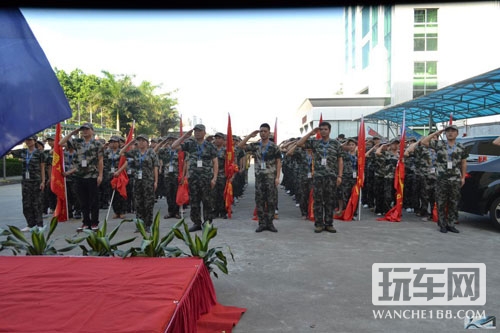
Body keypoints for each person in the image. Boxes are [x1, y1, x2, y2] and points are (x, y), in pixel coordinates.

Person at [296, 121, 343, 233]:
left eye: (325, 129)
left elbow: (340, 160)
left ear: (329, 131)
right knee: (318, 201)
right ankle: (318, 224)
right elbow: (299, 144)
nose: (323, 131)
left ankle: (329, 224)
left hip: (331, 176)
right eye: (321, 129)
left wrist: (340, 176)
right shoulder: (315, 143)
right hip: (318, 176)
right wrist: (311, 132)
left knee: (329, 201)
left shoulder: (335, 144)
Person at [420, 125, 468, 233]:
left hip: (455, 178)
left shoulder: (461, 147)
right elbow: (424, 142)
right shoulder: (440, 145)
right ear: (445, 134)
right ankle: (442, 224)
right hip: (442, 178)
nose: (450, 133)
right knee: (441, 202)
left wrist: (463, 177)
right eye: (448, 131)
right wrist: (437, 132)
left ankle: (451, 224)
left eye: (453, 131)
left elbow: (464, 163)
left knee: (453, 202)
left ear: (457, 133)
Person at [171, 124, 218, 232]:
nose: (197, 133)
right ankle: (196, 223)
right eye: (195, 131)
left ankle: (207, 223)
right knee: (194, 202)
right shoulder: (190, 144)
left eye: (199, 131)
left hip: (206, 178)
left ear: (204, 133)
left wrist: (214, 178)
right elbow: (173, 146)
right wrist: (184, 136)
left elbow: (215, 162)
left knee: (207, 202)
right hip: (193, 179)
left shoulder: (210, 146)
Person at [59, 122, 104, 231]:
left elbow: (100, 160)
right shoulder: (77, 142)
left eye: (87, 129)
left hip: (92, 175)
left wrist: (100, 175)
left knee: (93, 201)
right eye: (83, 129)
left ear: (92, 131)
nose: (85, 131)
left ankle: (94, 223)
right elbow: (60, 143)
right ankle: (85, 223)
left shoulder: (97, 144)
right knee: (83, 202)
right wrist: (73, 132)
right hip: (79, 175)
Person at [238, 123, 282, 232]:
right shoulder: (256, 145)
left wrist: (277, 177)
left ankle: (270, 223)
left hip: (271, 178)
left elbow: (278, 162)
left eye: (265, 131)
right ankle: (262, 223)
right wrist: (250, 136)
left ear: (269, 132)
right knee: (260, 201)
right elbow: (240, 146)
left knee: (271, 201)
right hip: (259, 178)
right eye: (261, 131)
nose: (263, 133)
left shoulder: (274, 147)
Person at [120, 134, 159, 233]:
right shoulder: (134, 152)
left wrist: (156, 181)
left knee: (148, 204)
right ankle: (139, 225)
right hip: (137, 181)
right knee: (138, 204)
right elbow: (121, 153)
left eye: (143, 141)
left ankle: (148, 225)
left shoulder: (151, 152)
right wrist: (130, 143)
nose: (141, 143)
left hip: (148, 181)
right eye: (139, 141)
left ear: (147, 142)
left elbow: (155, 166)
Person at [11, 136, 46, 231]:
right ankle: (30, 224)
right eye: (26, 140)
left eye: (30, 140)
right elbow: (9, 151)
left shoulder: (40, 153)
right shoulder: (22, 152)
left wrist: (43, 181)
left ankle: (39, 225)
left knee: (37, 203)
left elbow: (42, 168)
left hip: (36, 181)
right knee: (26, 203)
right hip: (26, 182)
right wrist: (17, 141)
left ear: (35, 141)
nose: (28, 142)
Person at [155, 134, 181, 219]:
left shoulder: (180, 150)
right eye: (169, 140)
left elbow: (185, 162)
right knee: (169, 194)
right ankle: (170, 212)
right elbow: (155, 151)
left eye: (173, 139)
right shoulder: (165, 150)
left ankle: (177, 212)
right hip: (167, 175)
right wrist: (163, 142)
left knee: (176, 194)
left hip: (177, 175)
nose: (171, 141)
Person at [104, 135, 127, 219]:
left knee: (120, 193)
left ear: (118, 143)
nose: (113, 144)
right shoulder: (107, 152)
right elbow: (103, 161)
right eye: (111, 142)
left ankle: (122, 211)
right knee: (111, 193)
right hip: (110, 175)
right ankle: (116, 211)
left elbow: (125, 162)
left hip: (119, 174)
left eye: (115, 142)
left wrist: (119, 171)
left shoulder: (121, 152)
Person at [212, 132, 228, 219]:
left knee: (222, 194)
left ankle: (223, 211)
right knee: (213, 194)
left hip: (222, 175)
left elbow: (230, 163)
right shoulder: (211, 149)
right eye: (216, 138)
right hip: (213, 175)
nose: (217, 140)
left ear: (223, 140)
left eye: (219, 138)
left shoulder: (226, 151)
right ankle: (215, 211)